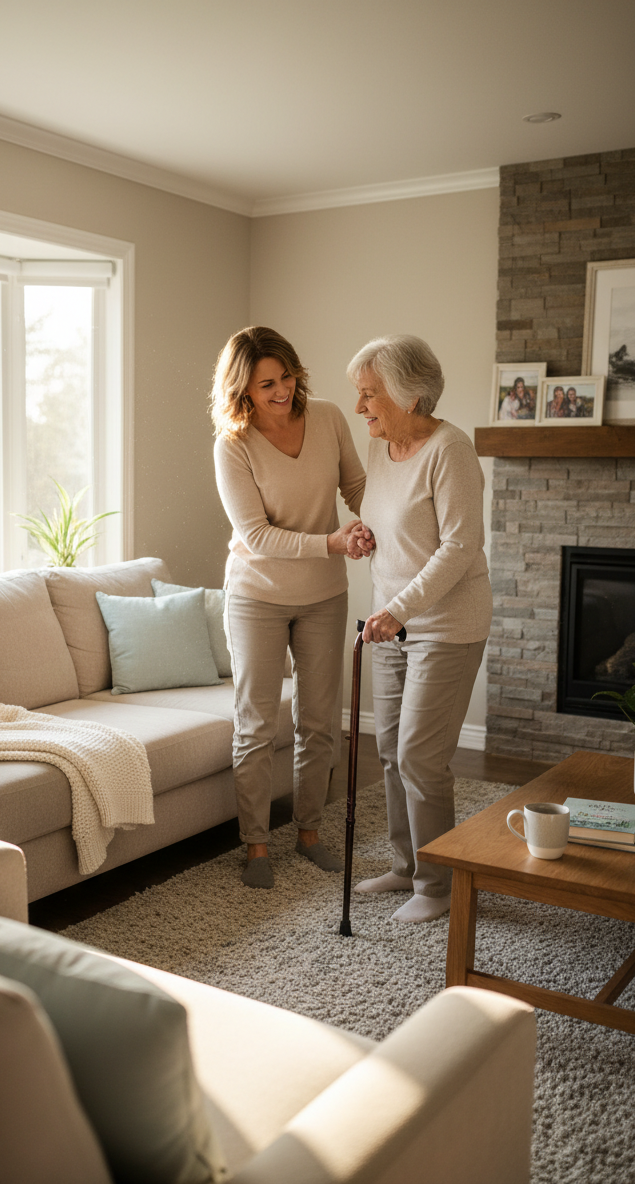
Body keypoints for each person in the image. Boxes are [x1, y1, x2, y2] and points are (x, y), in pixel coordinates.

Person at [211, 326, 370, 889]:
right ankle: (256, 844)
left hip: (324, 595)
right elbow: (255, 535)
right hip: (257, 595)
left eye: (287, 377)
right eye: (266, 384)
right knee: (255, 723)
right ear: (243, 391)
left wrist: (384, 519)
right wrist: (331, 541)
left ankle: (309, 833)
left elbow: (356, 486)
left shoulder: (327, 418)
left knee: (318, 721)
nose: (281, 391)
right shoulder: (233, 445)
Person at [346, 335, 492, 922]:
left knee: (420, 756)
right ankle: (407, 867)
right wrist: (363, 534)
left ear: (408, 397)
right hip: (392, 622)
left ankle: (438, 887)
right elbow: (393, 522)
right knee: (389, 751)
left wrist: (400, 609)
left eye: (368, 395)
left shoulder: (450, 450)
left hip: (444, 626)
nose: (360, 408)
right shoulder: (385, 450)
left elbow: (460, 546)